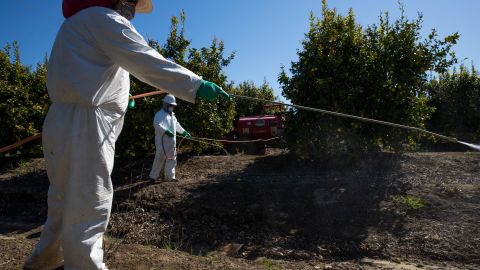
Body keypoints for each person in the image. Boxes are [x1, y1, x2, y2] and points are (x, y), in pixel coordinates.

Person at [24, 0, 230, 269]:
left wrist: (121, 96)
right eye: (130, 1)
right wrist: (195, 84)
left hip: (63, 121)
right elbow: (145, 60)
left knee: (64, 197)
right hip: (86, 125)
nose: (131, 8)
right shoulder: (106, 19)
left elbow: (94, 71)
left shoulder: (75, 25)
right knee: (89, 202)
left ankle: (46, 261)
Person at [149, 94, 191, 182]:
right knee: (159, 158)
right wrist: (166, 131)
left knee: (172, 159)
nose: (172, 107)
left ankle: (170, 177)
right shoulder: (159, 114)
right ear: (165, 104)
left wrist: (184, 132)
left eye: (173, 106)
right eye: (171, 105)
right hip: (162, 142)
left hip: (171, 142)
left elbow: (177, 125)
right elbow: (156, 125)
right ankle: (153, 177)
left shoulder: (172, 115)